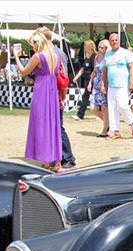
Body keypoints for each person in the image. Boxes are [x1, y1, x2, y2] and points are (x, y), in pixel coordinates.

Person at [14, 29, 62, 172]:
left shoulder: (38, 56)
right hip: (52, 89)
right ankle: (56, 161)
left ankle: (46, 160)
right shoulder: (55, 55)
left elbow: (24, 71)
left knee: (41, 123)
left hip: (42, 89)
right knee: (53, 124)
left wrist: (16, 56)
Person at [48, 33, 76, 169]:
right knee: (54, 128)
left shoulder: (55, 54)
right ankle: (58, 157)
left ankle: (67, 157)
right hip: (52, 94)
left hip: (56, 94)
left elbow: (62, 77)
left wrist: (62, 96)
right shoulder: (53, 53)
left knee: (58, 127)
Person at [102, 33, 133, 140]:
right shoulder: (107, 54)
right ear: (109, 42)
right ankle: (114, 130)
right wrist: (103, 83)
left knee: (122, 105)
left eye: (116, 40)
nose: (114, 42)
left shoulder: (125, 53)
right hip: (111, 85)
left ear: (119, 41)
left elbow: (132, 67)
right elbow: (104, 70)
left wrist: (131, 81)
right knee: (112, 108)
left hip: (123, 84)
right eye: (112, 40)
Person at [89, 39, 110, 137]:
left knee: (105, 108)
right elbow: (94, 71)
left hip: (104, 84)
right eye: (99, 47)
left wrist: (104, 85)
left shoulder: (108, 58)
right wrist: (90, 82)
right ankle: (109, 123)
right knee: (93, 107)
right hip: (96, 84)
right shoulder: (96, 57)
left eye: (102, 47)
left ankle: (105, 128)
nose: (100, 49)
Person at [71, 39, 95, 121]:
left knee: (86, 96)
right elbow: (83, 69)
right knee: (86, 96)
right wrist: (76, 77)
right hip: (87, 80)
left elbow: (95, 70)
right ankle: (80, 114)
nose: (84, 47)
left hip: (93, 81)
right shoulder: (87, 57)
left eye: (85, 45)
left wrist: (91, 82)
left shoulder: (94, 56)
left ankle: (80, 114)